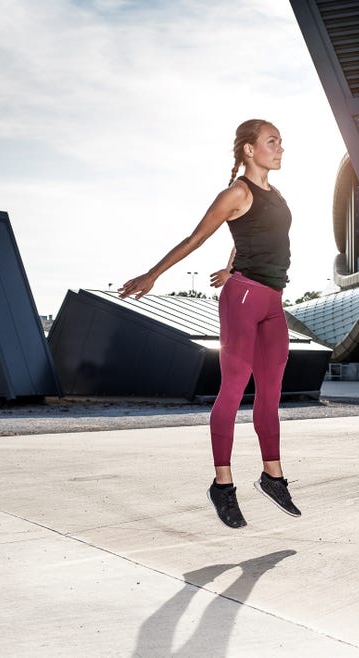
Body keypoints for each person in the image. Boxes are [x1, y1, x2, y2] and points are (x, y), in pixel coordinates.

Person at [119, 119, 300, 529]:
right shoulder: (236, 192)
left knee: (270, 393)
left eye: (281, 142)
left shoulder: (275, 193)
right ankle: (223, 485)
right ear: (250, 150)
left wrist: (230, 264)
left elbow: (249, 235)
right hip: (243, 299)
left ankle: (273, 476)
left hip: (272, 300)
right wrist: (153, 274)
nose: (281, 148)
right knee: (234, 389)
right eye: (272, 142)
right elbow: (195, 237)